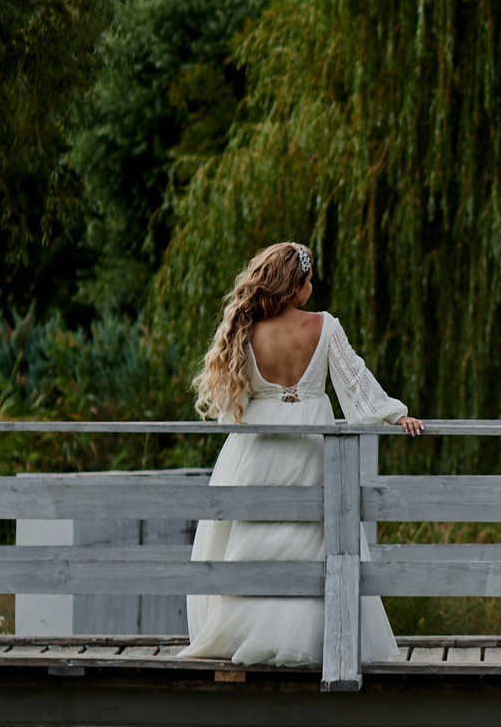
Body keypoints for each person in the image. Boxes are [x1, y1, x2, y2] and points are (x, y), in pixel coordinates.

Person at [179, 242, 423, 667]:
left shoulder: (246, 330)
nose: (313, 286)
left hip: (258, 447)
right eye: (310, 279)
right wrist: (395, 415)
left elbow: (228, 405)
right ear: (297, 286)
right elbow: (357, 386)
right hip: (312, 443)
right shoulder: (324, 327)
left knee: (253, 535)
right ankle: (312, 639)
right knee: (311, 537)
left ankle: (243, 632)